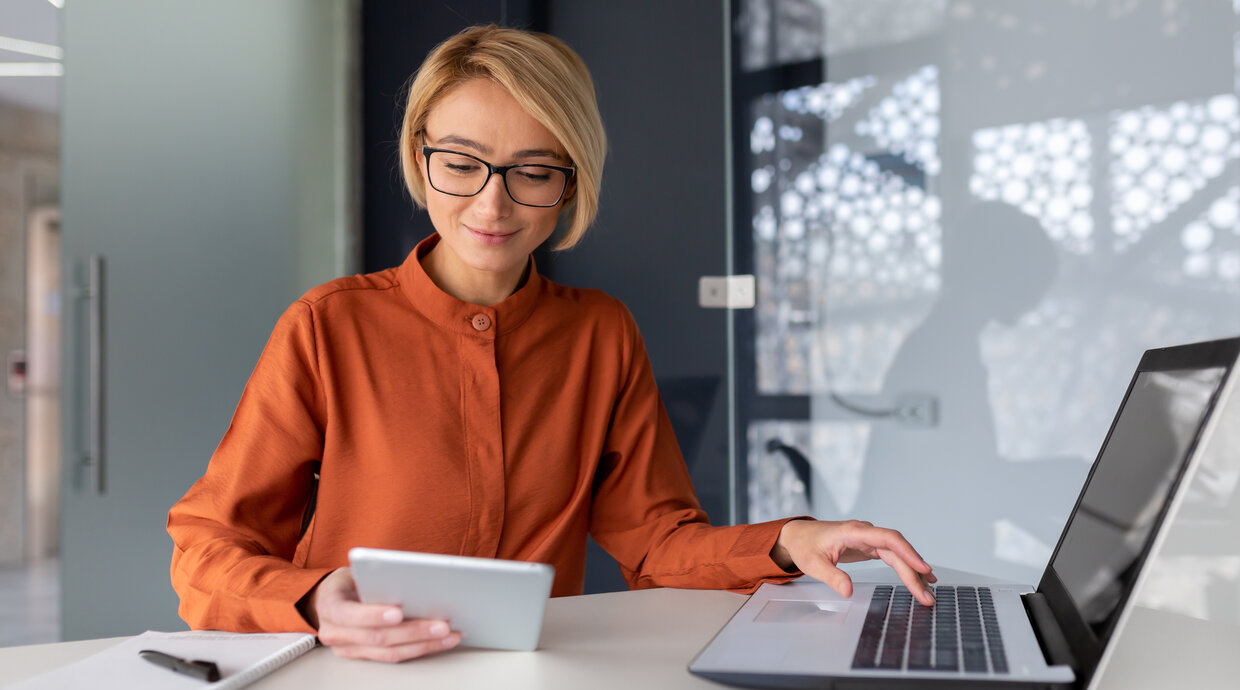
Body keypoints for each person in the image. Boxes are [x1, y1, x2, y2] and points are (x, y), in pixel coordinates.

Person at [166, 24, 936, 664]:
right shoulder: (327, 327)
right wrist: (311, 598)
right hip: (352, 675)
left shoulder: (601, 333)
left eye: (533, 172)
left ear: (572, 182)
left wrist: (790, 538)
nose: (491, 205)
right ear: (419, 158)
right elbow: (206, 547)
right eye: (461, 165)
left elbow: (656, 544)